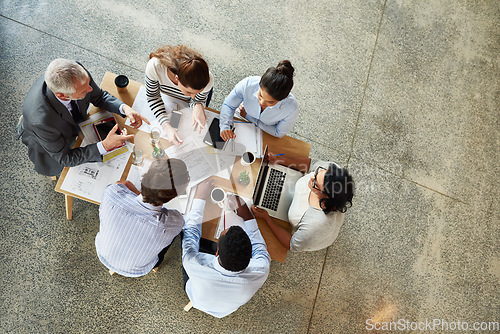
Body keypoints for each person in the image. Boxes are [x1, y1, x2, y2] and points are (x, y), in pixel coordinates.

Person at [19, 58, 148, 177]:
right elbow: (66, 158)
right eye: (83, 90)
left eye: (88, 84)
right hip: (49, 139)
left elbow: (99, 96)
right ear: (62, 95)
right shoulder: (42, 122)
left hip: (69, 121)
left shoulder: (78, 74)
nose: (90, 89)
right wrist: (105, 145)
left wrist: (124, 108)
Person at [182, 181, 270, 318]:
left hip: (196, 297)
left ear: (216, 253)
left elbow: (190, 235)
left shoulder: (194, 265)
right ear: (250, 254)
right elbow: (260, 248)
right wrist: (246, 214)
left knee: (198, 240)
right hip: (225, 310)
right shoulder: (261, 269)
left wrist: (199, 197)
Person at [95, 159, 190, 277]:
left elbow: (123, 183)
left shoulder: (111, 194)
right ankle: (156, 265)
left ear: (144, 180)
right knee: (170, 239)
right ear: (170, 199)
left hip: (104, 254)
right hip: (137, 269)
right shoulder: (173, 223)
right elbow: (180, 219)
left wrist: (139, 193)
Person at [251, 153, 354, 252]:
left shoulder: (315, 226)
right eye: (317, 173)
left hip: (310, 234)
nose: (311, 177)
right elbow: (311, 164)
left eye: (315, 183)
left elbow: (292, 244)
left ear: (325, 196)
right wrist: (280, 160)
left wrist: (267, 218)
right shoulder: (331, 171)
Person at [145, 45, 214, 145]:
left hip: (182, 107)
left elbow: (197, 100)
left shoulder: (208, 79)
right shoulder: (155, 67)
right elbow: (153, 96)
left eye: (197, 92)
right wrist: (166, 126)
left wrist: (198, 104)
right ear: (177, 79)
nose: (193, 96)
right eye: (189, 92)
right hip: (168, 100)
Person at [220, 60, 298, 140]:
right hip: (239, 119)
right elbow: (229, 105)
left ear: (282, 99)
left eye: (270, 102)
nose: (261, 102)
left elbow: (278, 132)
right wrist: (225, 126)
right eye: (260, 95)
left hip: (264, 133)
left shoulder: (291, 108)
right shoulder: (248, 84)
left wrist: (249, 117)